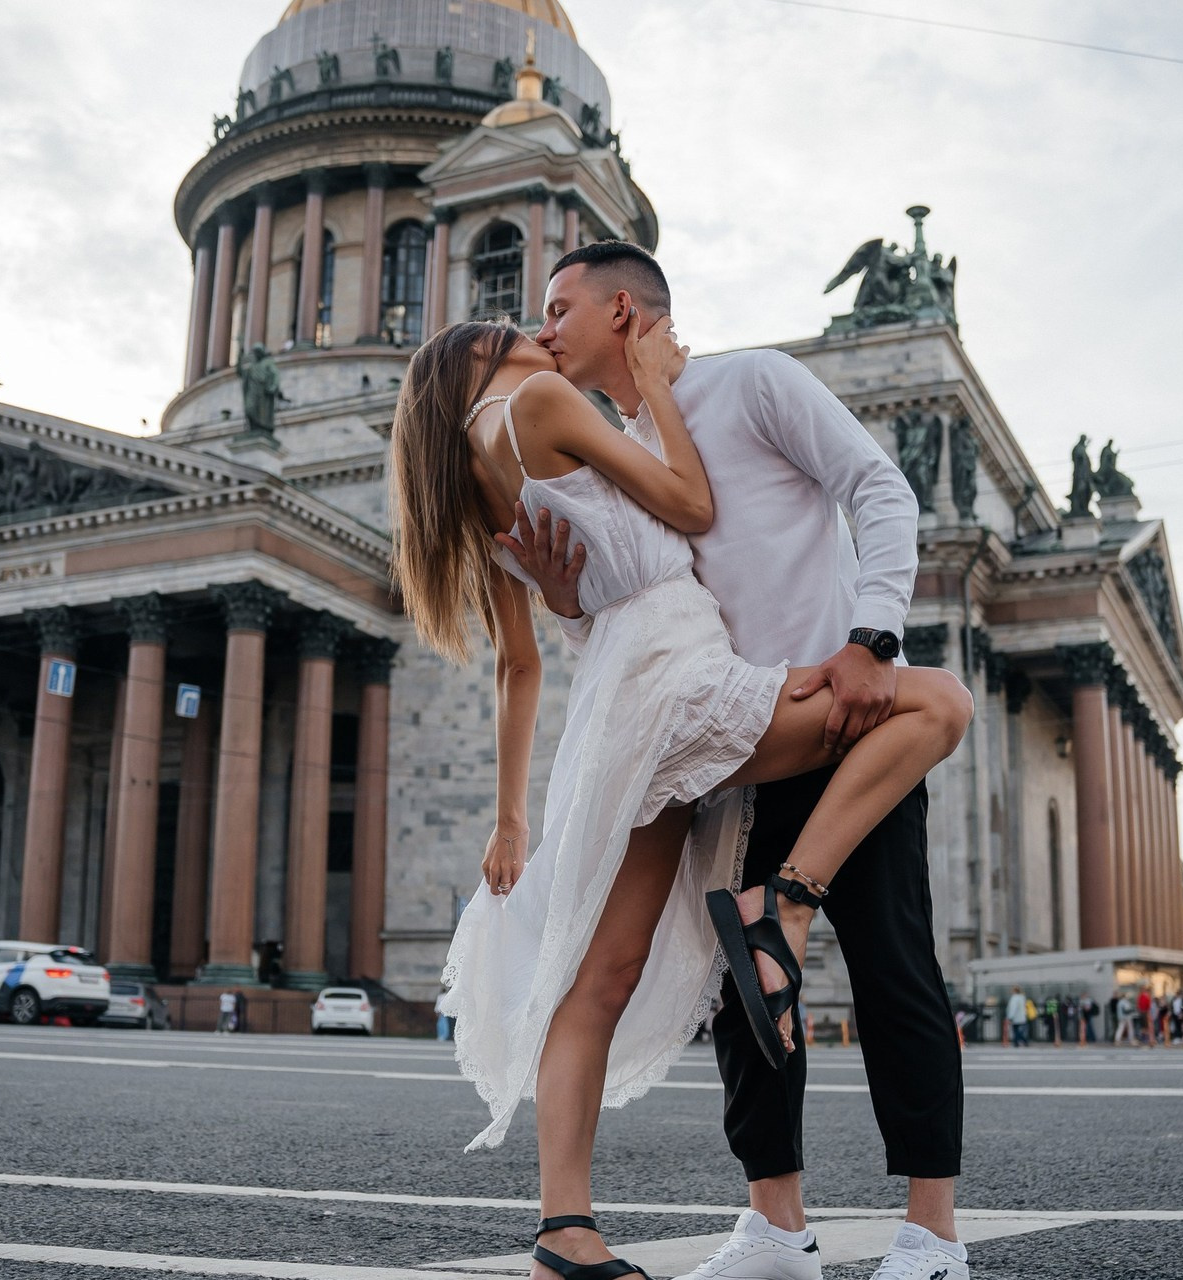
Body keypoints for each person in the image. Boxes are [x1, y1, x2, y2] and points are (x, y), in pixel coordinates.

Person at [392, 303, 973, 1277]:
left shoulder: (464, 475)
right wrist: (659, 387)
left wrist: (511, 814)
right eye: (516, 320)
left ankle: (562, 1231)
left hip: (622, 706)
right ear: (479, 357)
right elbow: (691, 508)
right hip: (682, 680)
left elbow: (520, 665)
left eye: (554, 307)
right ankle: (783, 905)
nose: (537, 324)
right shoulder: (538, 400)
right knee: (939, 702)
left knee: (596, 974)